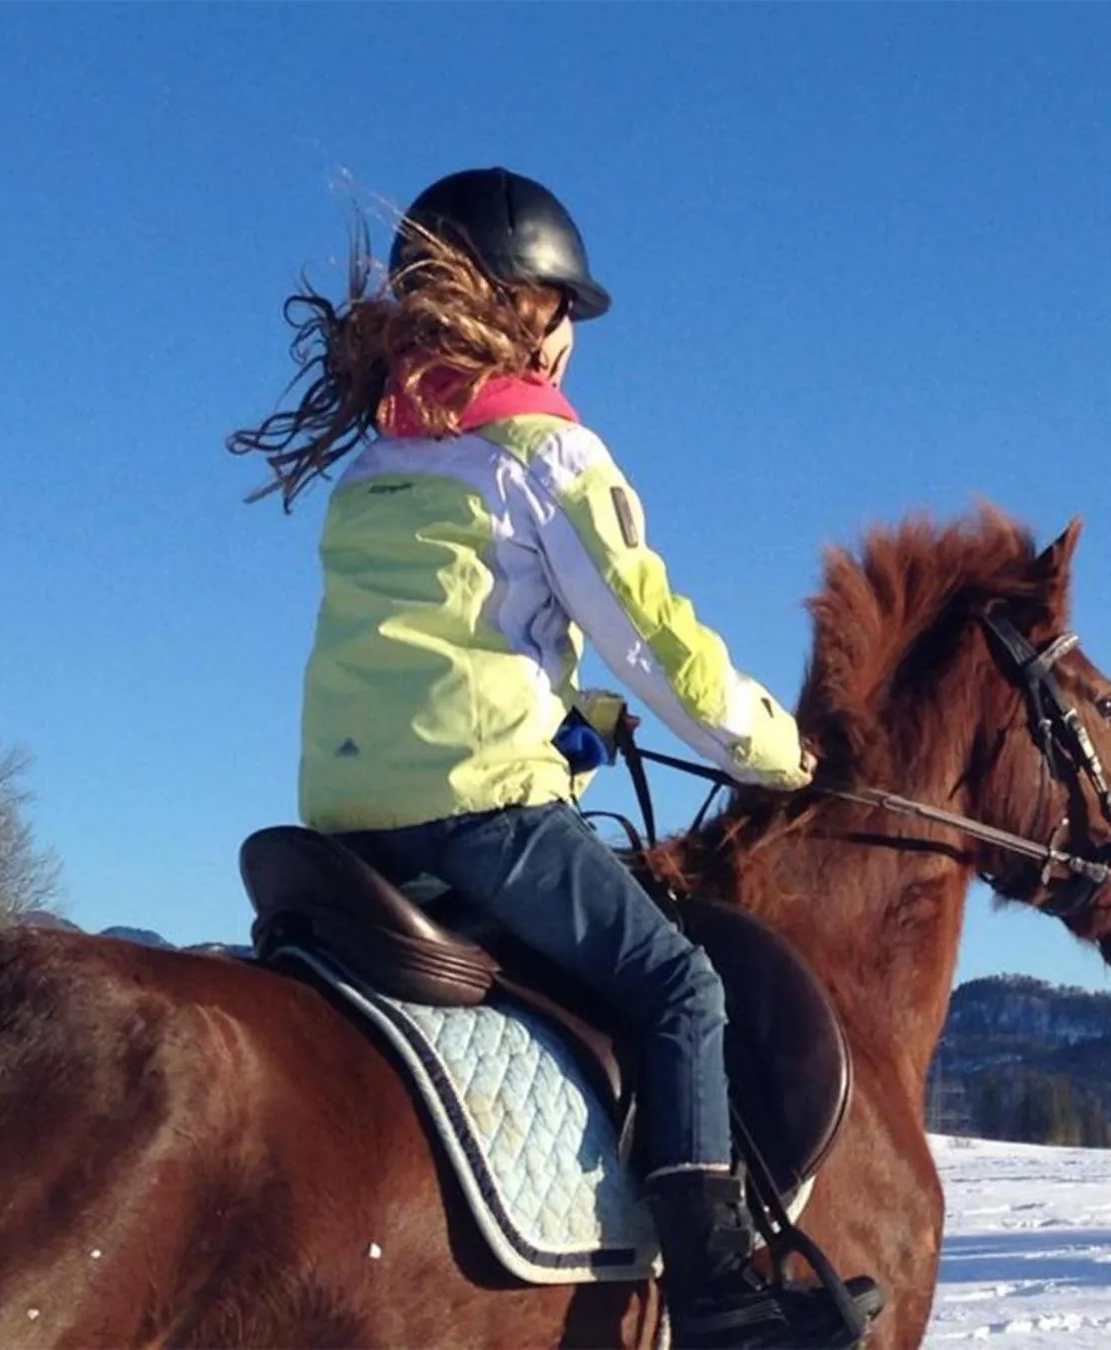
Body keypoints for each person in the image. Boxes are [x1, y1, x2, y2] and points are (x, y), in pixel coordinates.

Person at [228, 166, 873, 1348]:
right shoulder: (546, 452)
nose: (575, 337)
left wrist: (583, 715)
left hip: (346, 823)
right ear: (522, 305)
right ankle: (723, 1296)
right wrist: (776, 750)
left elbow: (447, 648)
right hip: (484, 817)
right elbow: (661, 642)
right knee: (681, 989)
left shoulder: (377, 466)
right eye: (567, 308)